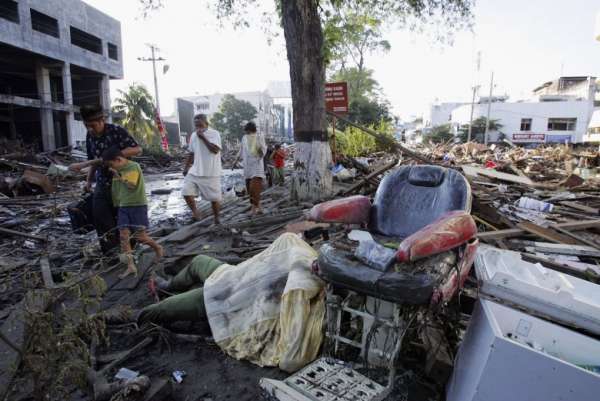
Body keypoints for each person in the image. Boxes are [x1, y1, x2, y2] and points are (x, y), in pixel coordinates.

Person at [68, 105, 141, 254]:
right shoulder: (90, 136)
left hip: (122, 181)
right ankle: (111, 253)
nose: (90, 129)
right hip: (102, 182)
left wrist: (113, 155)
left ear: (102, 121)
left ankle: (131, 248)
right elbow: (93, 160)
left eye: (93, 126)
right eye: (87, 126)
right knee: (100, 216)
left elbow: (137, 149)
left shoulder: (116, 131)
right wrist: (88, 181)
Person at [102, 147, 163, 279]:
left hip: (137, 205)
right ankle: (130, 265)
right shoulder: (117, 170)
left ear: (118, 159)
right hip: (123, 206)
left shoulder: (133, 167)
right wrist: (117, 204)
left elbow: (131, 185)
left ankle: (158, 248)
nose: (111, 168)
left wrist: (118, 175)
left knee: (140, 237)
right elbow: (117, 190)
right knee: (123, 236)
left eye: (112, 164)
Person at [182, 114, 222, 224]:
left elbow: (215, 150)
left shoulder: (214, 133)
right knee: (186, 192)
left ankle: (217, 218)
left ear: (206, 123)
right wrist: (186, 167)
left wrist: (203, 137)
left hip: (211, 171)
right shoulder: (194, 135)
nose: (198, 127)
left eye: (200, 124)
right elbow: (191, 152)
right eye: (196, 125)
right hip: (195, 170)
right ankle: (196, 213)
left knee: (214, 198)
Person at [237, 121, 267, 215]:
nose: (247, 133)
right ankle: (259, 208)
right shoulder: (244, 138)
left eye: (247, 131)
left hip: (257, 166)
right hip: (247, 167)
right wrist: (235, 160)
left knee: (254, 188)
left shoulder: (259, 137)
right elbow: (241, 150)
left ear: (251, 130)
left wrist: (257, 147)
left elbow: (263, 151)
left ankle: (255, 210)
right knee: (250, 190)